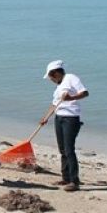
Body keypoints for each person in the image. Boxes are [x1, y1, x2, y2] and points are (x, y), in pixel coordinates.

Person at [40, 60, 90, 191]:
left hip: (71, 119)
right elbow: (54, 104)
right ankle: (65, 177)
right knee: (62, 150)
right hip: (59, 117)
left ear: (55, 73)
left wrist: (70, 98)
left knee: (69, 149)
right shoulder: (58, 87)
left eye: (50, 77)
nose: (51, 80)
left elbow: (85, 93)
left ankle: (74, 181)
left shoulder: (71, 78)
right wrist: (45, 117)